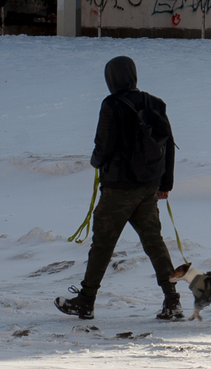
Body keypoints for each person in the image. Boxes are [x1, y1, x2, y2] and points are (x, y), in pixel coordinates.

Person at [55, 56, 183, 321]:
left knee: (102, 243)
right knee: (154, 241)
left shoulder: (111, 104)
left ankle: (86, 301)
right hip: (148, 186)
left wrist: (95, 162)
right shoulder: (155, 103)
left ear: (111, 78)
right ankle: (172, 301)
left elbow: (104, 145)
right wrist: (165, 184)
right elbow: (168, 144)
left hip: (118, 189)